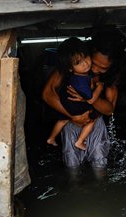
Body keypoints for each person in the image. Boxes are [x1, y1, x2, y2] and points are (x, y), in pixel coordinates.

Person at [42, 31, 121, 172]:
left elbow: (109, 109)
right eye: (94, 63)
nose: (95, 69)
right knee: (72, 165)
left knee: (99, 163)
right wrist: (72, 116)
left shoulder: (110, 78)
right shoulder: (74, 64)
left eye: (103, 68)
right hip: (71, 121)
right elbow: (48, 94)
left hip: (94, 123)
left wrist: (89, 98)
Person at [46, 37, 104, 150]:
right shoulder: (81, 81)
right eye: (78, 62)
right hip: (76, 109)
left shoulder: (74, 77)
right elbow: (91, 99)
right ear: (70, 68)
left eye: (86, 57)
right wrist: (99, 87)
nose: (86, 63)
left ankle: (51, 138)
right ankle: (80, 141)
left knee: (62, 119)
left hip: (67, 104)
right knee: (93, 120)